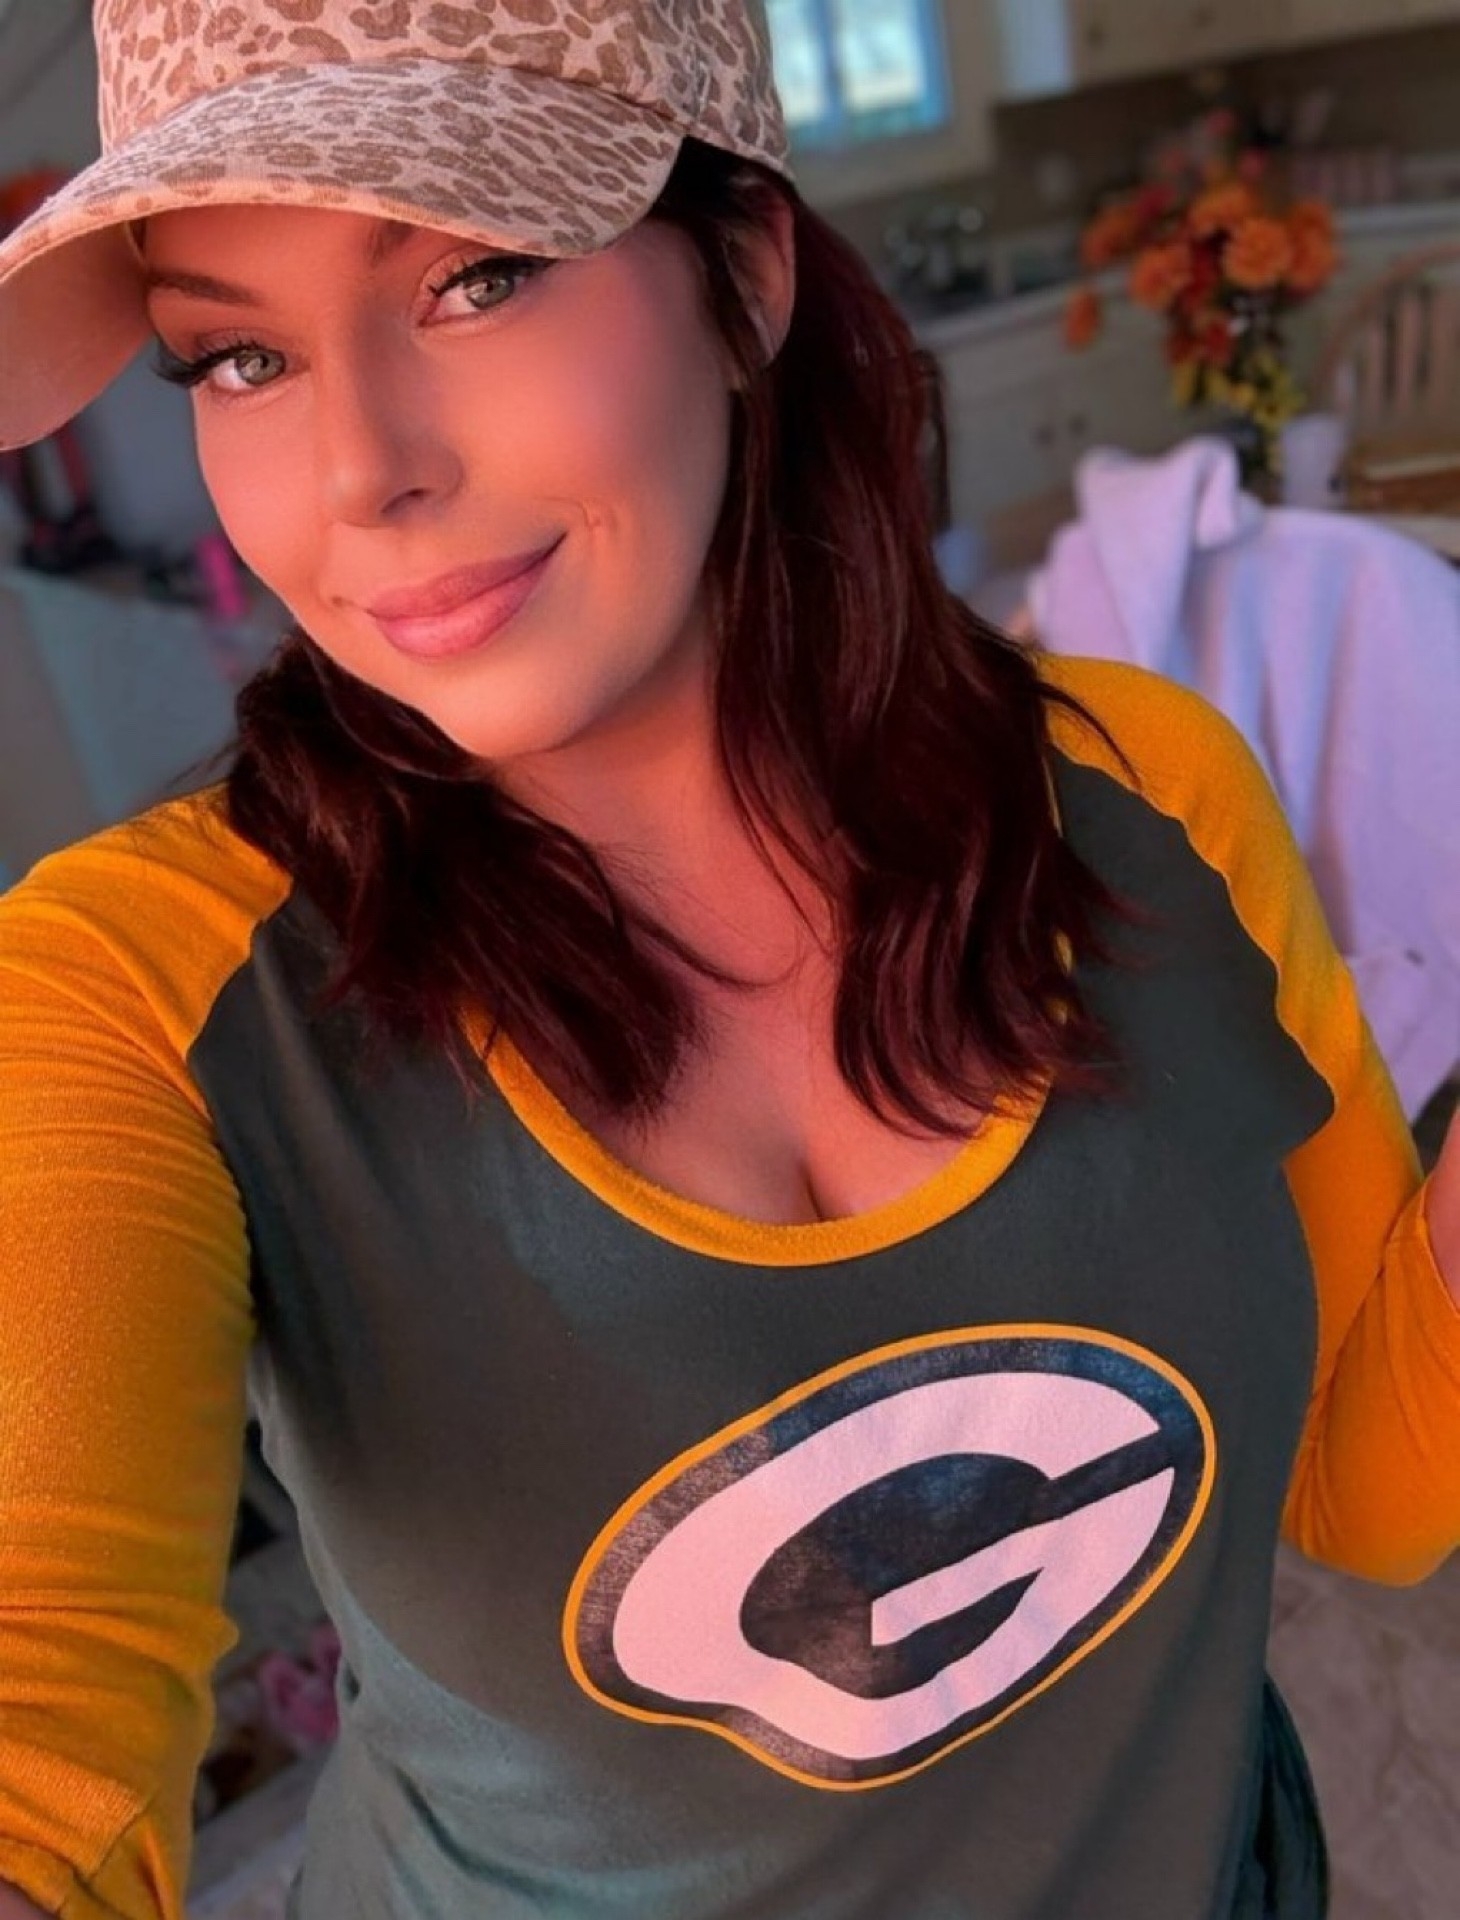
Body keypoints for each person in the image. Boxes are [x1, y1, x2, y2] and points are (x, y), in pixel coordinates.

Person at [0, 4, 1457, 1917]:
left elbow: (1372, 1479)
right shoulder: (129, 992)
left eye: (477, 277)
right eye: (237, 356)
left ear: (747, 275)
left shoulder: (1148, 796)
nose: (359, 471)